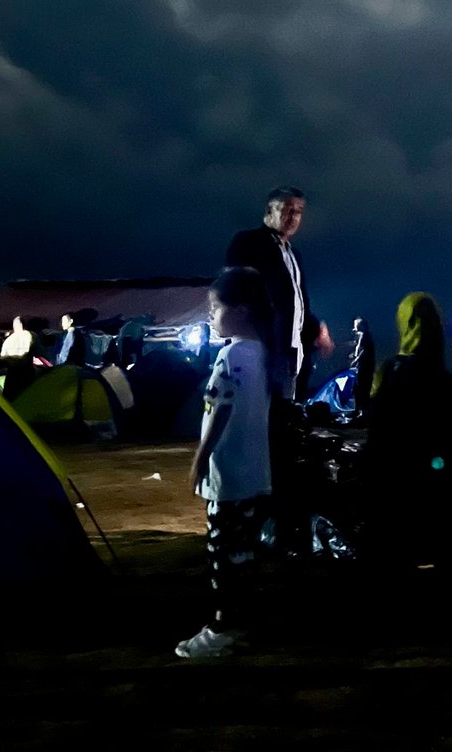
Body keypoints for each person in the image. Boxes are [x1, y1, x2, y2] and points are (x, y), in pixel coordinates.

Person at [225, 186, 332, 556]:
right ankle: (255, 517)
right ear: (269, 210)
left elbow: (298, 302)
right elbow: (236, 289)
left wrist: (316, 327)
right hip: (265, 354)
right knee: (262, 434)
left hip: (292, 356)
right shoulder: (250, 243)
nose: (293, 217)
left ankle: (277, 519)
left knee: (283, 434)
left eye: (299, 211)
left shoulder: (293, 253)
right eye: (287, 210)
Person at [176, 267, 273, 660]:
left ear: (243, 311)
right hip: (258, 473)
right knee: (244, 554)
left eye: (215, 308)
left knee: (221, 552)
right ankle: (243, 624)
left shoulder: (231, 355)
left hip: (229, 474)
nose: (211, 317)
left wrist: (200, 459)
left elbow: (220, 411)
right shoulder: (267, 353)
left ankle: (222, 627)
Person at [364, 292, 452, 563]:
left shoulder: (390, 372)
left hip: (391, 500)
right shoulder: (446, 382)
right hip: (434, 505)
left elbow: (377, 434)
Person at [350, 317, 376, 420]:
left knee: (362, 388)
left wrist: (356, 359)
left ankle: (363, 412)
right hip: (364, 367)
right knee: (358, 388)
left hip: (365, 367)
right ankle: (359, 411)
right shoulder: (363, 336)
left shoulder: (365, 335)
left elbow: (364, 350)